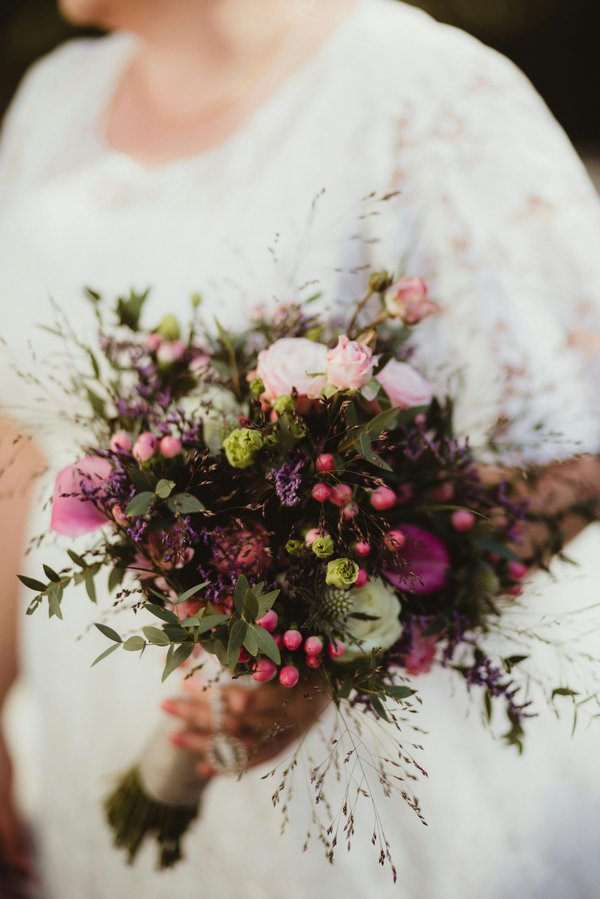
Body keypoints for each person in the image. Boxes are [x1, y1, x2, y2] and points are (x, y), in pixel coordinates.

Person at [0, 0, 599, 896]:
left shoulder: (421, 86)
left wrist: (327, 660)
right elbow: (19, 444)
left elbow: (578, 444)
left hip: (365, 776)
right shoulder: (52, 100)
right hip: (90, 730)